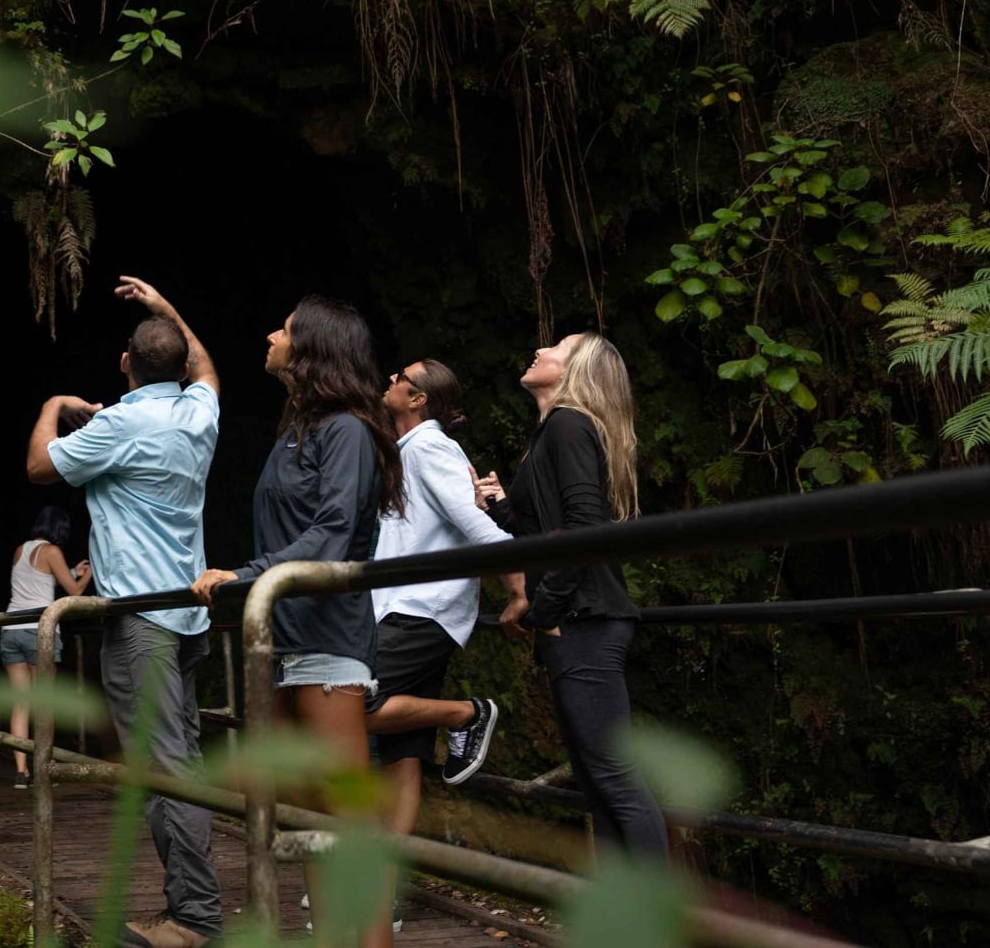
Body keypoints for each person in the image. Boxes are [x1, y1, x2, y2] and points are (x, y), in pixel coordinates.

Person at [191, 295, 404, 948]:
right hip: (284, 639)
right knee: (305, 814)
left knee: (349, 817)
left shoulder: (345, 429)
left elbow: (334, 530)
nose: (269, 333)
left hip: (329, 638)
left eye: (282, 328)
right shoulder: (298, 429)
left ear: (312, 346)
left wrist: (247, 574)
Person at [26, 276, 223, 948]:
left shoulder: (118, 423)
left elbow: (39, 466)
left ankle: (194, 919)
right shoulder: (200, 412)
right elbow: (207, 369)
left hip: (141, 621)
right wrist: (167, 305)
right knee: (182, 759)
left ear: (125, 362)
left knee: (163, 767)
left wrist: (56, 403)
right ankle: (195, 906)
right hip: (189, 618)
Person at [476, 332, 668, 857]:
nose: (540, 348)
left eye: (558, 346)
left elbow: (586, 526)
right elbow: (542, 530)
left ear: (572, 370)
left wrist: (544, 610)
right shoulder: (550, 434)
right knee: (598, 781)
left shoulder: (567, 424)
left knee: (614, 778)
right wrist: (498, 507)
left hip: (585, 619)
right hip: (578, 619)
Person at [365, 359, 525, 875]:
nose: (390, 379)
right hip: (409, 606)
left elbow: (477, 528)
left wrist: (520, 589)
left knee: (351, 705)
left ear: (419, 400)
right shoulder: (408, 450)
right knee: (403, 752)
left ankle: (467, 714)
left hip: (420, 608)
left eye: (400, 377)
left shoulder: (431, 448)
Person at [2, 505, 92, 790]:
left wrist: (72, 571)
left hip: (11, 629)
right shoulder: (53, 551)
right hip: (39, 631)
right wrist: (90, 573)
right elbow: (74, 592)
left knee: (21, 703)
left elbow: (38, 580)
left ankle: (21, 772)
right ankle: (44, 769)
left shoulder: (20, 550)